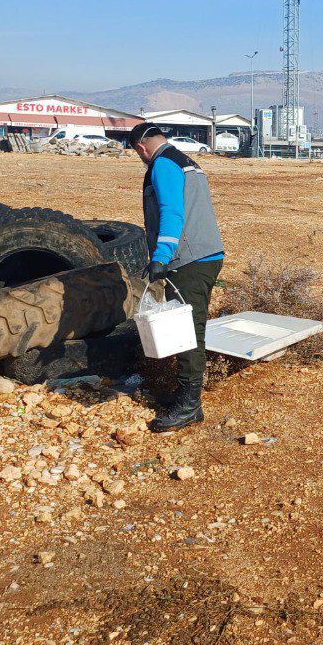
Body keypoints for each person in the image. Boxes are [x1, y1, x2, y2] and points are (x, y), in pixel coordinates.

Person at [128, 122, 225, 433]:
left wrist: (160, 257)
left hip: (190, 260)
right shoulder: (185, 160)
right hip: (204, 255)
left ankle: (189, 405)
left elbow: (172, 212)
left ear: (141, 148)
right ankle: (186, 395)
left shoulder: (163, 164)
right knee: (187, 329)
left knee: (188, 333)